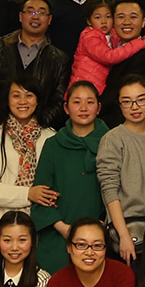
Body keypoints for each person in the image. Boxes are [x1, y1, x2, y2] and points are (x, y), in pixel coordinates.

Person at [34, 80, 108, 271]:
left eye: (90, 102)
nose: (83, 108)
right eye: (76, 102)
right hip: (58, 235)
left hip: (99, 237)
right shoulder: (53, 145)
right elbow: (41, 194)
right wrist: (63, 228)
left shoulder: (111, 142)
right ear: (66, 108)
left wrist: (103, 225)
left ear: (99, 108)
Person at [0, 79, 57, 248]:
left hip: (41, 221)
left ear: (38, 100)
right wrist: (27, 194)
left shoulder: (51, 137)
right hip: (2, 219)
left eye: (29, 96)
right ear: (7, 100)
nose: (22, 101)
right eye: (16, 96)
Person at [0, 0, 69, 128]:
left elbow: (58, 102)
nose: (35, 17)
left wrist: (35, 125)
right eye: (30, 12)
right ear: (20, 16)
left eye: (41, 13)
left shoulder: (60, 59)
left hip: (39, 131)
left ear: (49, 19)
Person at [97, 76, 145, 255]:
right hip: (124, 227)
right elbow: (109, 189)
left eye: (141, 99)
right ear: (119, 104)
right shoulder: (112, 139)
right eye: (127, 101)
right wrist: (123, 235)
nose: (135, 107)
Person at [100, 0, 145, 125]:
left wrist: (96, 106)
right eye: (121, 17)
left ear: (143, 22)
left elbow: (125, 93)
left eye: (133, 17)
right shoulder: (105, 49)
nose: (127, 22)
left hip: (124, 123)